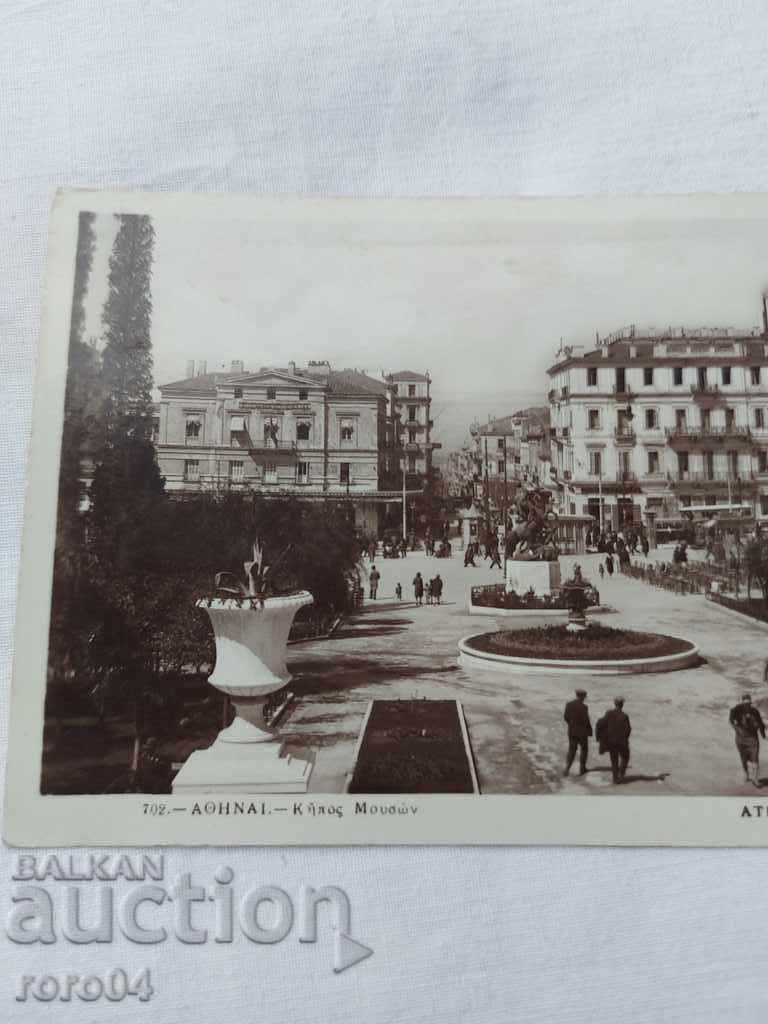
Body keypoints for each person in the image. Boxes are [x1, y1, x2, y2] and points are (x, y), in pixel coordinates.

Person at [729, 694, 766, 785]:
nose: (747, 705)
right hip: (741, 739)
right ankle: (746, 773)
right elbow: (731, 720)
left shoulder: (755, 711)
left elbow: (760, 723)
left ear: (750, 702)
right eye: (745, 703)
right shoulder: (736, 710)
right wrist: (736, 728)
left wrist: (763, 735)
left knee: (755, 758)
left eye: (748, 703)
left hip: (753, 739)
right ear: (742, 702)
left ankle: (755, 778)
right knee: (743, 757)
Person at [596, 698, 631, 784]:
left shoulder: (609, 713)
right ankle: (621, 774)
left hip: (611, 741)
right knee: (625, 757)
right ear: (622, 705)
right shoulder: (624, 716)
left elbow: (602, 723)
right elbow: (628, 729)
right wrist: (625, 738)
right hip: (621, 741)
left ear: (615, 704)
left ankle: (615, 778)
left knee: (614, 759)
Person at [563, 689, 593, 777]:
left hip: (571, 731)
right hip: (582, 732)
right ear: (583, 696)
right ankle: (582, 768)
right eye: (584, 697)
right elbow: (586, 721)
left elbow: (566, 717)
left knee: (572, 750)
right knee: (584, 749)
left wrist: (572, 725)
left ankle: (567, 768)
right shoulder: (584, 707)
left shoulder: (568, 705)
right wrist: (589, 730)